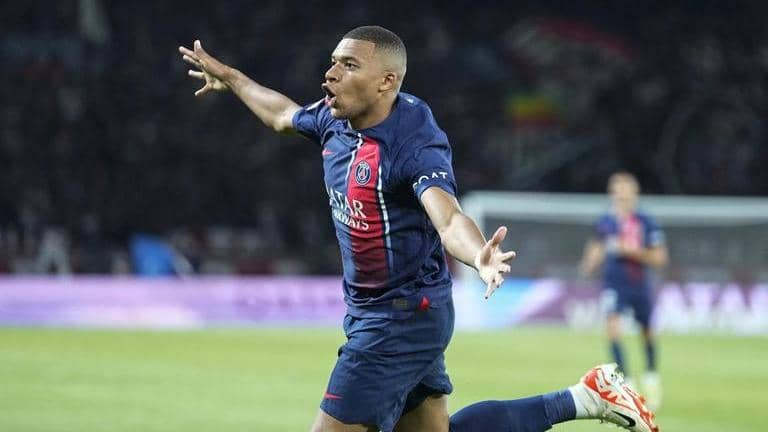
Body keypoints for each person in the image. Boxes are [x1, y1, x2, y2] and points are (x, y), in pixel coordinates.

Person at [180, 25, 658, 432]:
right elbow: (282, 115)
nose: (330, 74)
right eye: (333, 62)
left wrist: (479, 255)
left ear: (386, 81)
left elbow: (447, 217)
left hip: (401, 317)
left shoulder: (413, 143)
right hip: (382, 309)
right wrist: (233, 78)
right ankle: (583, 398)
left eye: (348, 65)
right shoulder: (335, 119)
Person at [579, 171, 668, 410]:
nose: (620, 194)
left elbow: (660, 258)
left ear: (634, 192)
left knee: (647, 331)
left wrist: (629, 250)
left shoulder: (646, 222)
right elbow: (596, 246)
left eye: (624, 189)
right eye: (616, 190)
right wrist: (588, 263)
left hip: (639, 284)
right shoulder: (606, 222)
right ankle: (627, 384)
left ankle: (651, 376)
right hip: (614, 284)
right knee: (612, 329)